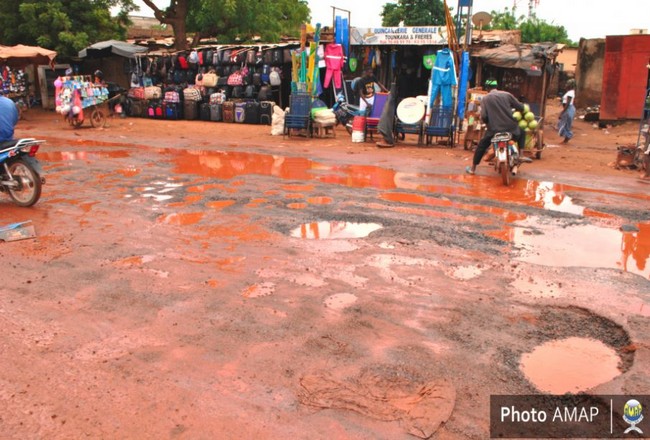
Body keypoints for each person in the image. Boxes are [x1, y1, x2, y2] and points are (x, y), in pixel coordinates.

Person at [465, 78, 526, 175]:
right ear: (496, 86)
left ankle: (473, 169)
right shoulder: (507, 95)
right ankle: (521, 154)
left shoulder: (485, 99)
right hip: (511, 129)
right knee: (522, 130)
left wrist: (487, 121)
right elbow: (521, 107)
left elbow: (484, 116)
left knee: (481, 146)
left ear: (487, 88)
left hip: (494, 130)